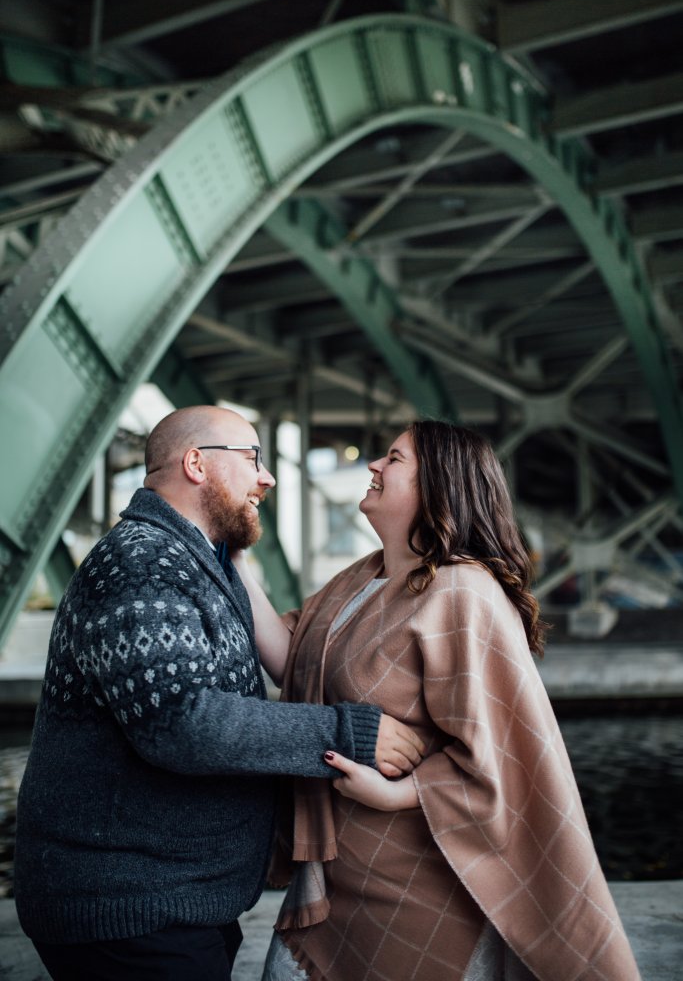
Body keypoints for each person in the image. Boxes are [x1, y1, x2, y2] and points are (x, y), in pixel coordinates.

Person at [13, 405, 425, 981]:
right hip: (130, 911)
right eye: (253, 459)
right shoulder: (142, 563)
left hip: (168, 903)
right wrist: (347, 734)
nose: (268, 477)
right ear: (196, 464)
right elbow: (182, 724)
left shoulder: (192, 559)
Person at [233, 421, 642, 981]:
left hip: (419, 885)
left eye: (394, 459)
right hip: (338, 872)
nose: (374, 466)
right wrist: (228, 553)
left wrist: (398, 793)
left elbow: (504, 756)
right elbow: (290, 656)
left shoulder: (462, 592)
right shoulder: (360, 578)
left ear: (439, 489)